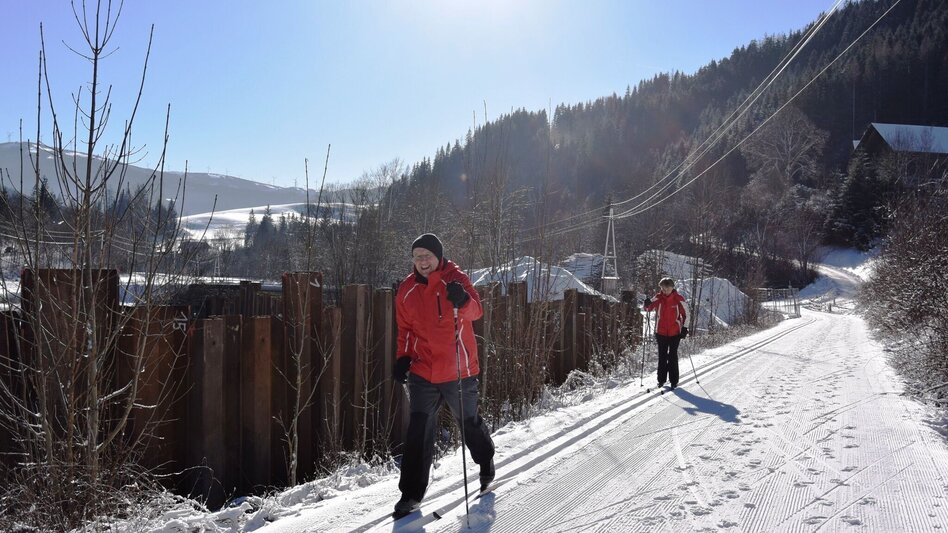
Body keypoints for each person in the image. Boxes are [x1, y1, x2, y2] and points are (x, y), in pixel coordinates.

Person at [391, 233, 495, 519]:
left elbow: (476, 311)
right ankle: (411, 494)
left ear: (439, 257)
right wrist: (402, 358)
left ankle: (486, 461)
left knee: (468, 422)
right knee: (419, 430)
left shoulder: (456, 279)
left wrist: (462, 300)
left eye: (428, 256)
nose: (423, 262)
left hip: (458, 369)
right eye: (417, 257)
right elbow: (405, 331)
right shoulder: (406, 290)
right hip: (423, 370)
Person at [643, 277, 689, 390]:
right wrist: (646, 304)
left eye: (667, 288)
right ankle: (661, 380)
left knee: (672, 356)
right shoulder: (658, 298)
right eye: (663, 288)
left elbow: (687, 314)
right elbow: (648, 308)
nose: (665, 291)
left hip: (675, 333)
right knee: (662, 356)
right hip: (661, 332)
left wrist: (685, 328)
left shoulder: (679, 299)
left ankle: (674, 381)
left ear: (672, 288)